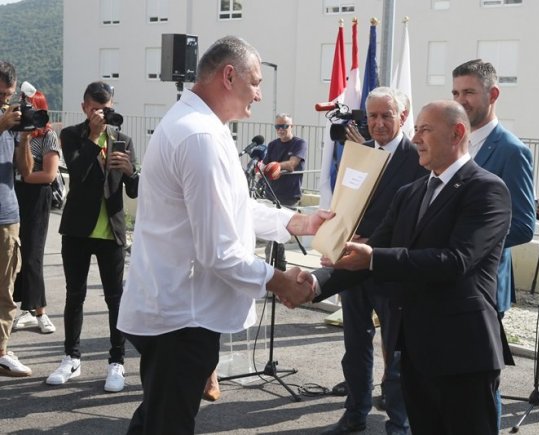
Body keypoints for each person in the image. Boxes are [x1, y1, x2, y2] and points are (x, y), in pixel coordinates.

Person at [116, 35, 332, 435]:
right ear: (228, 76)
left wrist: (297, 223)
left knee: (155, 420)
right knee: (166, 425)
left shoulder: (202, 128)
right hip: (182, 316)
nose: (259, 94)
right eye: (255, 82)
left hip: (180, 310)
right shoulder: (199, 136)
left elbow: (233, 208)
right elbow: (219, 251)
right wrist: (280, 281)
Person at [308, 100, 512, 435]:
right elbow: (368, 253)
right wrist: (313, 283)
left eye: (425, 130)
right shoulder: (410, 193)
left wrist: (373, 257)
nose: (415, 138)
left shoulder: (487, 189)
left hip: (463, 353)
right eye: (415, 129)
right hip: (416, 351)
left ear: (457, 133)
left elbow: (456, 261)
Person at [322, 87, 427, 435]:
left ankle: (399, 424)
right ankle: (355, 413)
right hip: (352, 266)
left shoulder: (418, 159)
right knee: (355, 345)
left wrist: (375, 245)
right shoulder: (359, 153)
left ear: (403, 116)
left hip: (390, 268)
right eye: (372, 116)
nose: (378, 123)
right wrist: (335, 240)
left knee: (396, 352)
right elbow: (345, 204)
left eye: (386, 115)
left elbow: (418, 220)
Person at [451, 58, 536, 429]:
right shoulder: (453, 141)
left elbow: (523, 226)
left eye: (469, 92)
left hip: (482, 286)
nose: (461, 100)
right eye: (456, 92)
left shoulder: (511, 150)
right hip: (447, 281)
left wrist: (465, 245)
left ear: (493, 94)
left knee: (480, 387)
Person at [45, 81, 139, 393]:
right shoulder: (72, 135)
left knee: (115, 299)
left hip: (110, 230)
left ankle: (117, 361)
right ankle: (71, 358)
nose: (101, 114)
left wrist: (130, 172)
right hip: (77, 229)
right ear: (85, 107)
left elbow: (134, 190)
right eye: (96, 109)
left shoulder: (123, 140)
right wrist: (94, 138)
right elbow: (77, 170)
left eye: (107, 109)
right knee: (75, 295)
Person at [12, 89, 60, 335]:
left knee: (33, 256)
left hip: (36, 196)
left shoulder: (48, 135)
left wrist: (23, 176)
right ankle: (25, 309)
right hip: (13, 195)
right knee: (14, 255)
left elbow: (48, 175)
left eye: (33, 109)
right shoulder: (12, 131)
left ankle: (39, 311)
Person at [0, 60, 34, 377]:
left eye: (8, 94)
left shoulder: (12, 120)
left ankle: (1, 351)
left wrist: (24, 137)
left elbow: (25, 170)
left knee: (5, 290)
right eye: (0, 94)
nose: (4, 100)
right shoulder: (4, 120)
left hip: (7, 215)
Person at [262, 113, 307, 207]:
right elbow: (264, 165)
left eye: (284, 126)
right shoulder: (272, 144)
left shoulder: (299, 143)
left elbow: (291, 165)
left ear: (292, 126)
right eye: (277, 127)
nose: (280, 129)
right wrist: (260, 169)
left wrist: (275, 166)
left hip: (289, 196)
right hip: (270, 194)